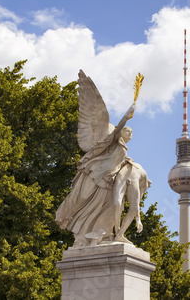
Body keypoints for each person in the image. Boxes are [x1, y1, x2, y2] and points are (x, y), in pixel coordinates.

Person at [56, 104, 135, 247]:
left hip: (108, 179)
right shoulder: (114, 139)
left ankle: (101, 235)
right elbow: (117, 129)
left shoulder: (124, 148)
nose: (130, 133)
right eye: (128, 130)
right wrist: (126, 115)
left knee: (103, 207)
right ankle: (71, 223)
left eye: (132, 132)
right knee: (82, 200)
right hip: (96, 172)